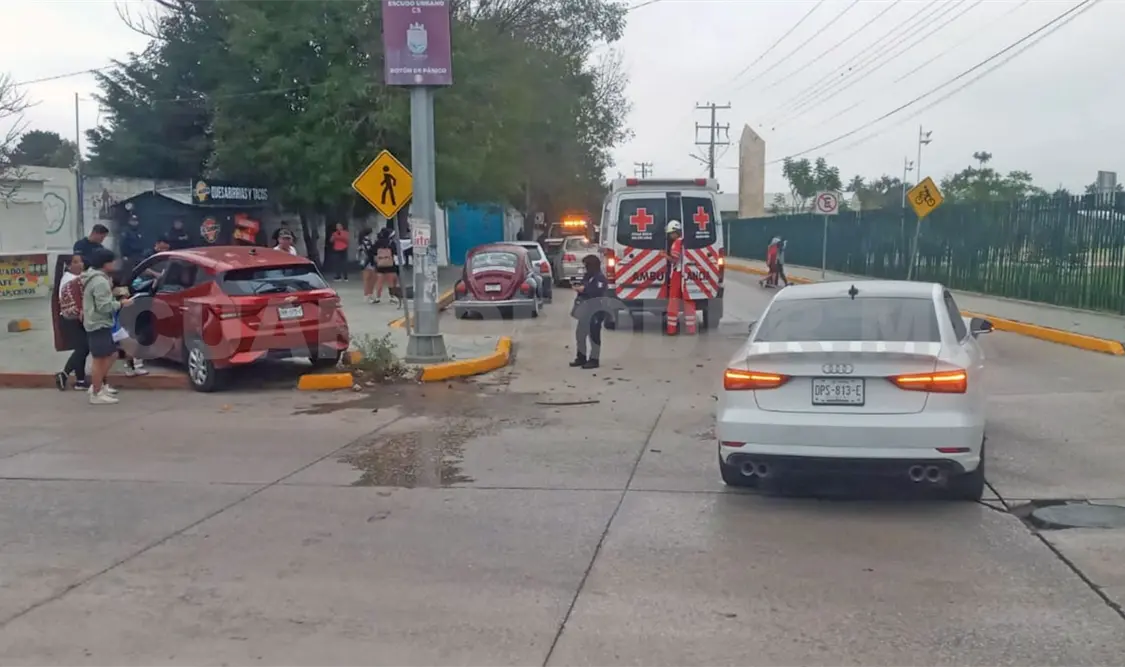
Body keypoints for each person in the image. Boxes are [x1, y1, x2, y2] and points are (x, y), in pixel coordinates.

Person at [82, 248, 133, 405]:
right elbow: (103, 306)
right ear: (105, 264)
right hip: (99, 323)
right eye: (112, 261)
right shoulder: (100, 281)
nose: (115, 264)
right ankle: (96, 392)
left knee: (112, 355)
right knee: (99, 360)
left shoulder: (97, 278)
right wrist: (121, 303)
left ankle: (98, 386)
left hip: (99, 322)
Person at [55, 253, 90, 391]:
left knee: (81, 348)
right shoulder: (71, 279)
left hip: (76, 318)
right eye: (76, 262)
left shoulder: (75, 278)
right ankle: (64, 374)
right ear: (69, 265)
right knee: (83, 348)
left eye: (80, 261)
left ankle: (80, 380)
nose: (80, 264)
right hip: (72, 320)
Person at [570, 254, 608, 369]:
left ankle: (594, 359)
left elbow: (597, 292)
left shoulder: (599, 278)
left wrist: (584, 289)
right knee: (580, 334)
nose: (585, 268)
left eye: (586, 265)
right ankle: (581, 357)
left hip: (596, 310)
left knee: (594, 335)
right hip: (585, 310)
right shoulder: (588, 276)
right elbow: (585, 285)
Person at [663, 219, 695, 335]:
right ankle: (691, 328)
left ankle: (671, 329)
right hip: (686, 273)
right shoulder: (685, 242)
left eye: (671, 233)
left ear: (675, 232)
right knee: (688, 300)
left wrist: (664, 255)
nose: (670, 236)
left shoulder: (676, 243)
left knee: (673, 301)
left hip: (677, 274)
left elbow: (674, 259)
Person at [371, 227, 400, 304]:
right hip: (390, 264)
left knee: (379, 281)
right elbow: (396, 252)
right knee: (391, 282)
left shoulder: (377, 242)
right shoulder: (391, 243)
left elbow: (372, 251)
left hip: (380, 264)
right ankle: (392, 297)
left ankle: (377, 297)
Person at [357, 228, 377, 303]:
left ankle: (368, 295)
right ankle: (368, 295)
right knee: (370, 279)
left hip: (364, 261)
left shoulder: (362, 241)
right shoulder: (367, 241)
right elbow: (370, 251)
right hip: (367, 261)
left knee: (368, 279)